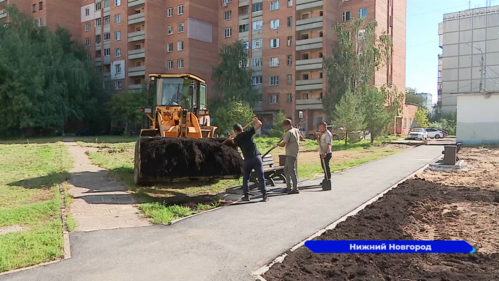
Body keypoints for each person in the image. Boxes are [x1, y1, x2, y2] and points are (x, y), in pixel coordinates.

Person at [231, 117, 268, 202]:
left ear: (235, 131)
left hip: (247, 160)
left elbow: (233, 142)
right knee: (260, 177)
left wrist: (231, 138)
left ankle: (246, 196)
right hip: (256, 158)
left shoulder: (237, 139)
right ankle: (264, 195)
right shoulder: (248, 133)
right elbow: (260, 124)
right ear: (241, 129)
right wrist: (256, 120)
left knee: (246, 178)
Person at [277, 119, 300, 194]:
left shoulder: (289, 132)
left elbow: (283, 144)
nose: (284, 127)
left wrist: (277, 144)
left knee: (291, 170)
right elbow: (302, 137)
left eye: (284, 126)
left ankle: (295, 188)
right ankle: (288, 187)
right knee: (286, 170)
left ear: (286, 125)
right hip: (293, 152)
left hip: (290, 153)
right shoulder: (296, 130)